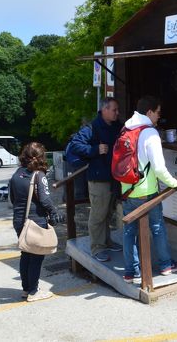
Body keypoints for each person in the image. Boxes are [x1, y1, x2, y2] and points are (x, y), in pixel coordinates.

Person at [121, 95, 177, 283]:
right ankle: (166, 265)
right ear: (149, 112)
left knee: (129, 231)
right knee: (157, 227)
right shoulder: (150, 133)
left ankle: (130, 272)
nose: (160, 116)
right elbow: (158, 168)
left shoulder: (126, 128)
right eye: (158, 112)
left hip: (127, 189)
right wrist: (174, 182)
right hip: (146, 191)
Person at [68, 98, 122, 262]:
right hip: (98, 179)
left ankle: (106, 242)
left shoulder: (116, 126)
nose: (117, 113)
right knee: (98, 215)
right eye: (114, 110)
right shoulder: (91, 128)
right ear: (104, 110)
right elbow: (75, 145)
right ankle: (97, 248)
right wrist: (94, 149)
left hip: (112, 178)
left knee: (107, 213)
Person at [9, 142, 63, 302]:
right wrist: (55, 211)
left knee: (25, 253)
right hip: (35, 220)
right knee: (36, 256)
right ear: (40, 157)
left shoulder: (16, 174)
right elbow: (45, 199)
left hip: (19, 220)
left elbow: (12, 198)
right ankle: (33, 291)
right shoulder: (38, 175)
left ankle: (26, 289)